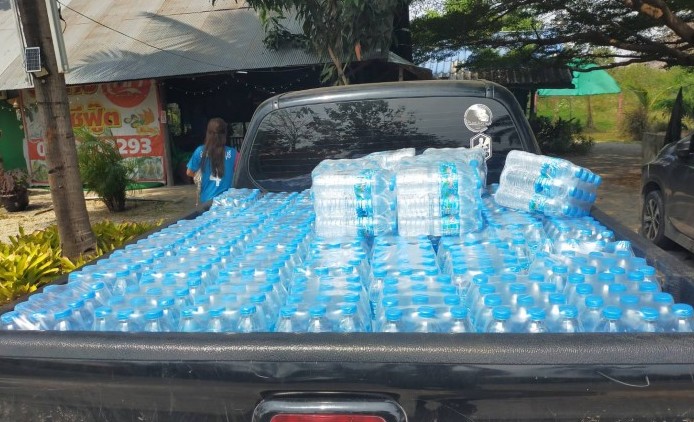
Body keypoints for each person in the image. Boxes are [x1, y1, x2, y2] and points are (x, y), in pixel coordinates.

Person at [186, 118, 236, 204]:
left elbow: (189, 172)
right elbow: (239, 175)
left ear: (208, 133)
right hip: (228, 201)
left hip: (207, 201)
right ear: (225, 134)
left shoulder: (200, 151)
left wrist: (200, 176)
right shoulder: (233, 153)